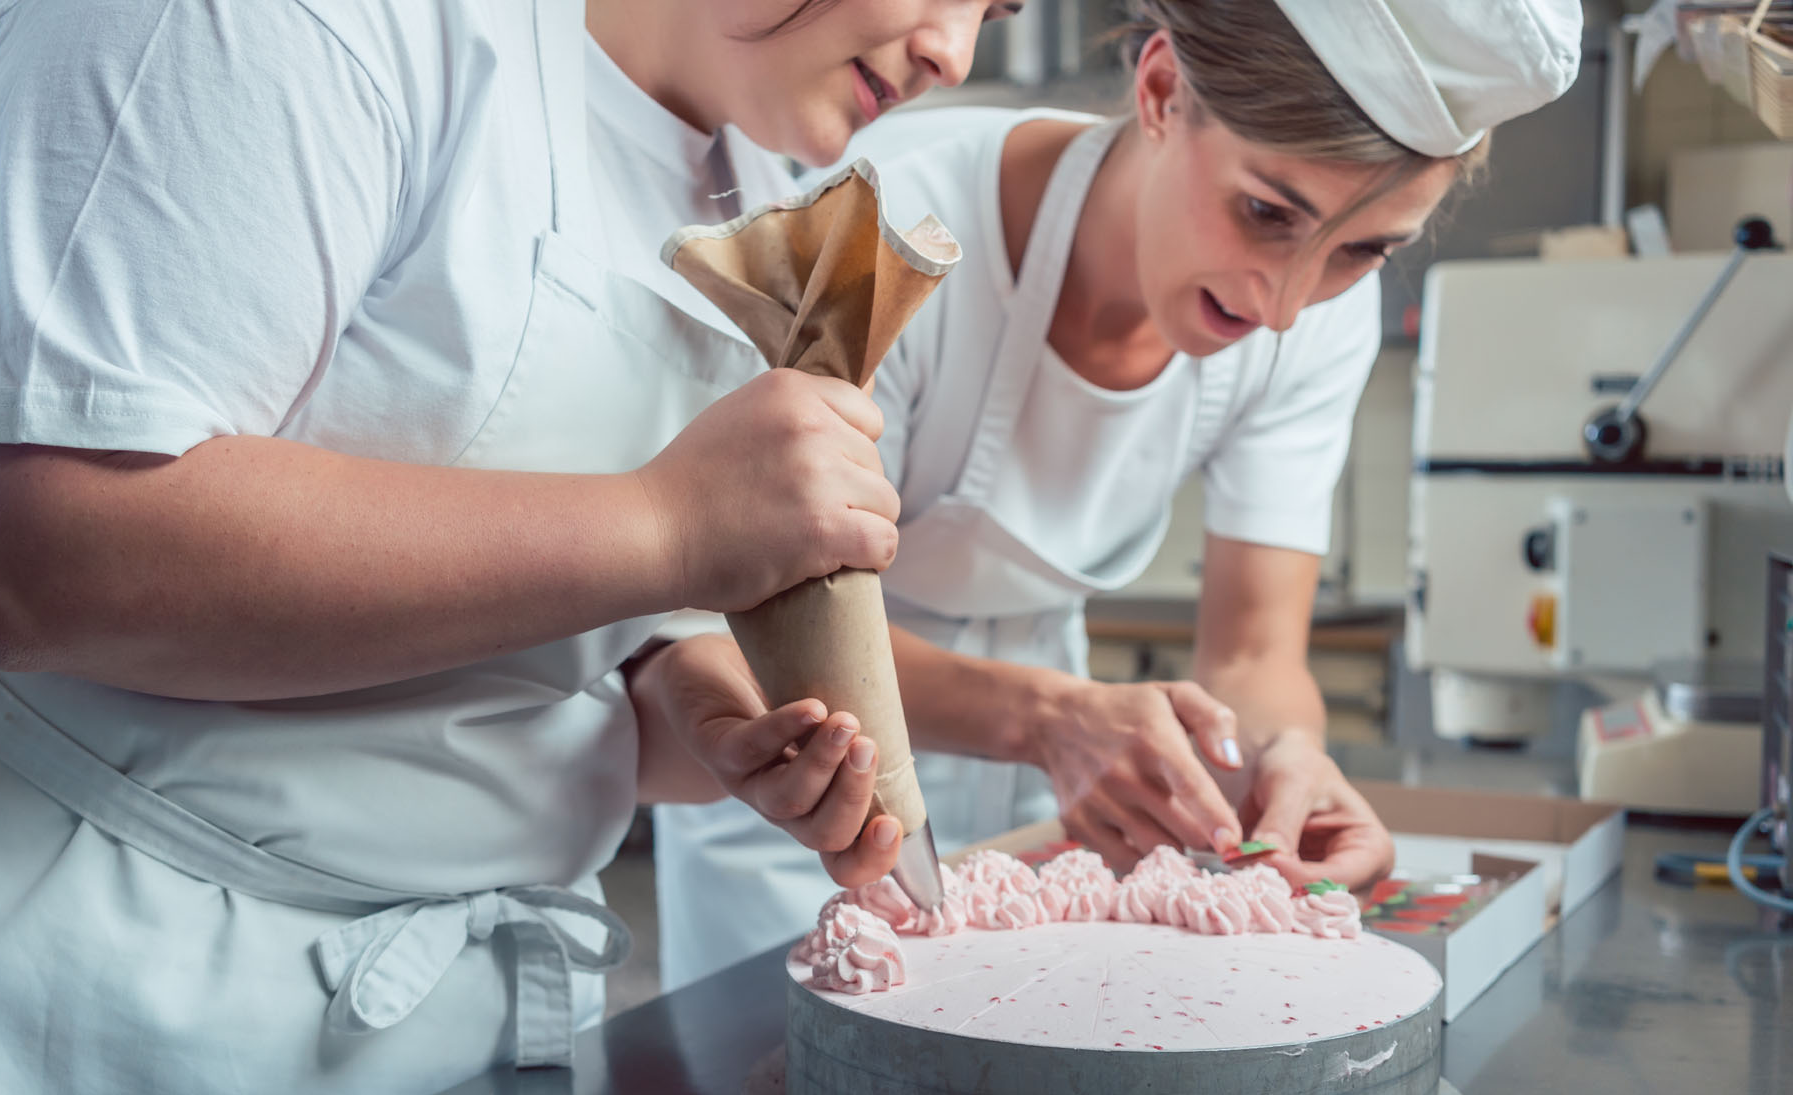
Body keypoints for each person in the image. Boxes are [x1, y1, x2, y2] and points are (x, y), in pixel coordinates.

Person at [0, 0, 1018, 1095]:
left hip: (460, 1063)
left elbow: (558, 624)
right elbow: (39, 553)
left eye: (1001, 10)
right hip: (90, 1015)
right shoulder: (279, 25)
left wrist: (700, 709)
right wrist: (662, 528)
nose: (953, 52)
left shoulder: (753, 170)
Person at [656, 0, 1583, 989]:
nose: (1282, 306)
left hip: (1047, 811)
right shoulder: (886, 233)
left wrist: (1282, 761)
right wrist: (1048, 720)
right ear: (1160, 92)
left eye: (1362, 251)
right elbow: (773, 607)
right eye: (1267, 212)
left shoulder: (1319, 326)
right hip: (804, 792)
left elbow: (1256, 650)